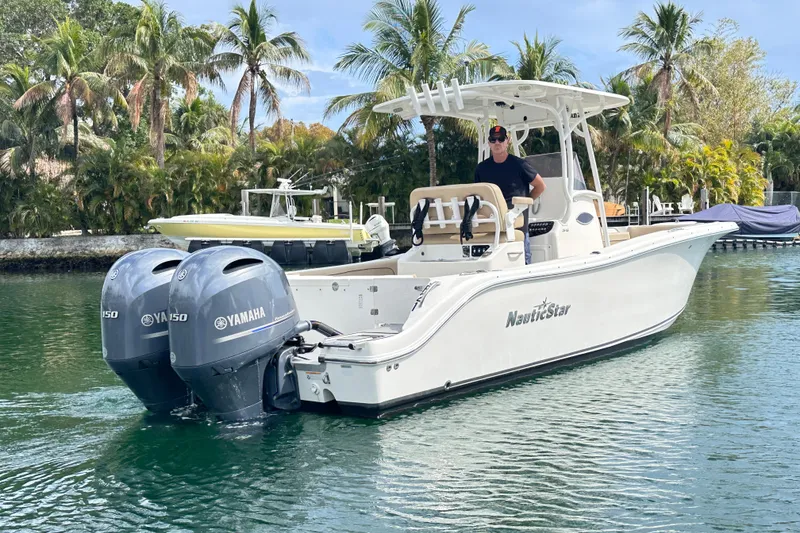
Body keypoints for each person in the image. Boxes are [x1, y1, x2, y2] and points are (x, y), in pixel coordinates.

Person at [474, 125, 546, 264]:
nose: (497, 143)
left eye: (501, 139)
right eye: (493, 140)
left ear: (507, 141)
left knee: (522, 262)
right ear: (488, 143)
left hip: (517, 223)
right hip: (492, 225)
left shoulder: (519, 164)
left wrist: (526, 202)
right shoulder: (481, 169)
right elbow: (478, 194)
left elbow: (540, 185)